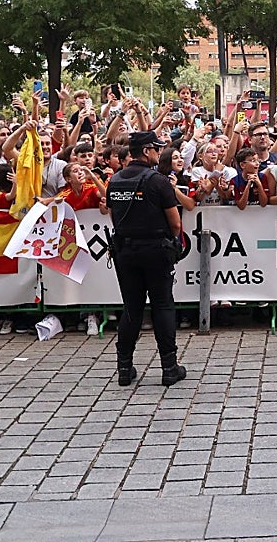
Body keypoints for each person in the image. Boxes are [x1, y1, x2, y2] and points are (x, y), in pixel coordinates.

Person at [106, 130, 186, 388]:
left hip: (125, 252)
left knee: (132, 308)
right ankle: (169, 367)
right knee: (162, 305)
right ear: (147, 150)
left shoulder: (115, 180)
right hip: (155, 250)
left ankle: (124, 368)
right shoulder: (158, 181)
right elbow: (175, 224)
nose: (160, 152)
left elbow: (114, 218)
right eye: (157, 148)